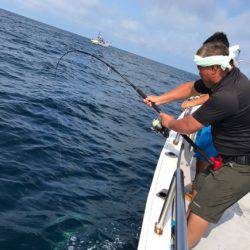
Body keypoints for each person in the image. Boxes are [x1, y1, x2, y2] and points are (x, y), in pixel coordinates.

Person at [155, 41, 250, 248]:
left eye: (201, 68)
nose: (198, 72)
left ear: (215, 68)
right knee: (199, 189)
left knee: (201, 210)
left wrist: (169, 121)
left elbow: (188, 126)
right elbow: (191, 87)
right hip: (227, 157)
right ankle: (180, 233)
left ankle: (182, 244)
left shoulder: (227, 96)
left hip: (242, 167)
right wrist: (160, 99)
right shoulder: (226, 78)